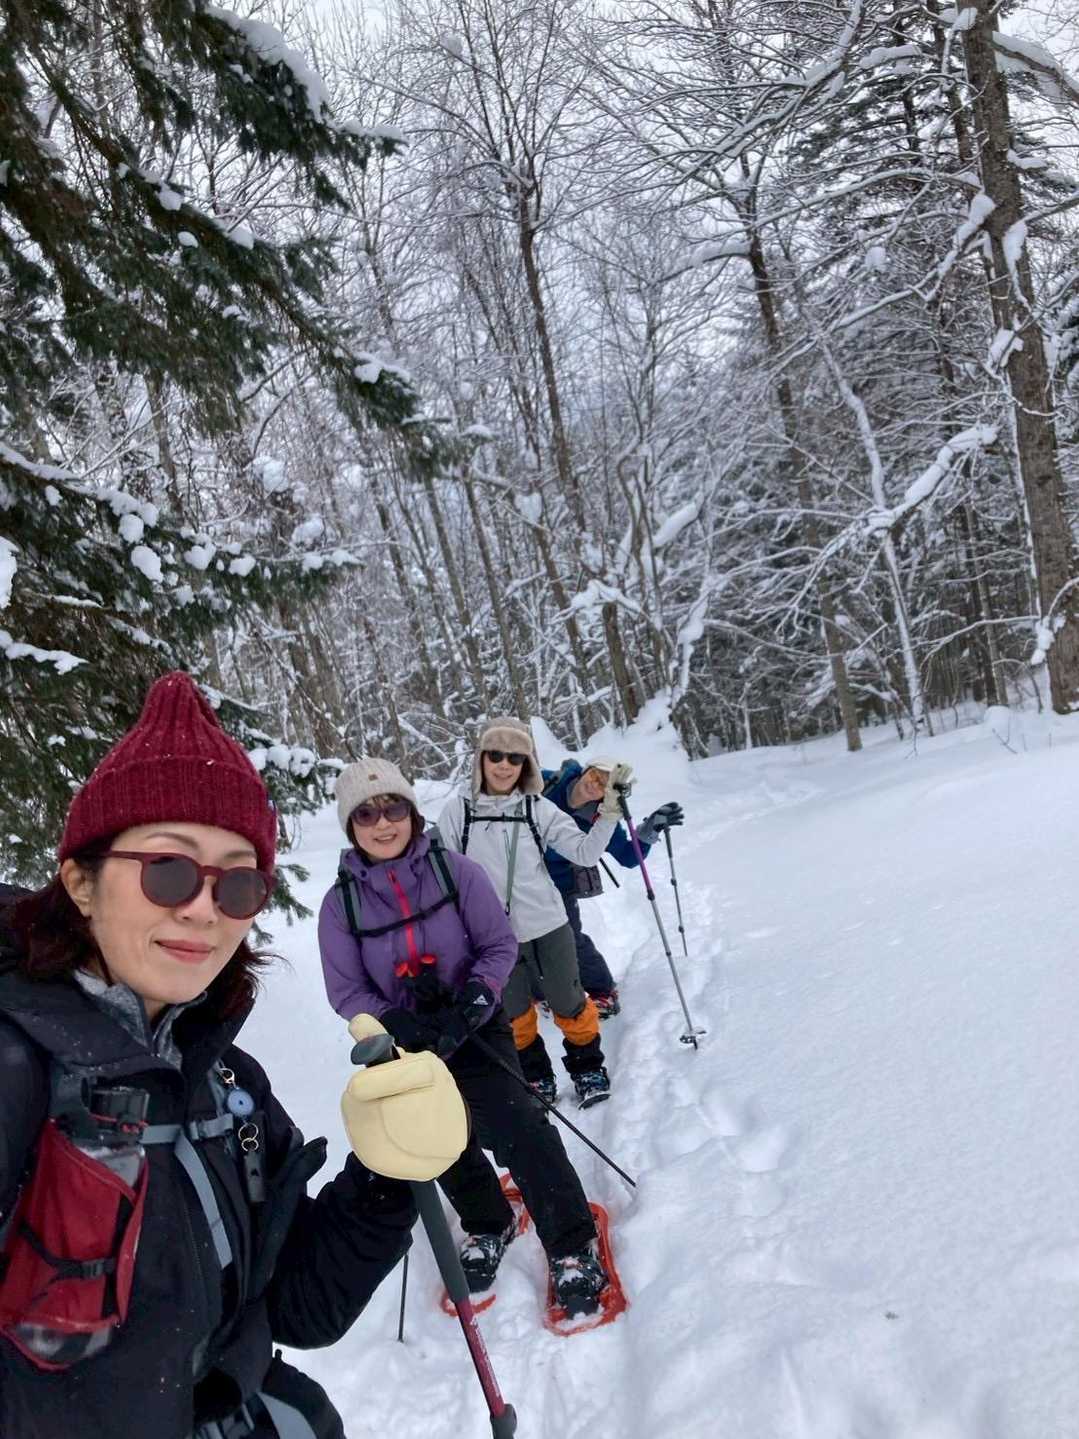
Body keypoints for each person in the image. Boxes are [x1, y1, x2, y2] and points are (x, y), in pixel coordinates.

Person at [0, 672, 463, 1439]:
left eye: (238, 883)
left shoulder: (223, 1078)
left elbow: (296, 1308)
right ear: (81, 881)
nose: (201, 908)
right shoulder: (18, 1070)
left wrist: (386, 1176)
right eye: (168, 869)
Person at [317, 757, 609, 1311]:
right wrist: (393, 1020)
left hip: (471, 1021)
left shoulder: (455, 870)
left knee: (518, 1124)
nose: (383, 823)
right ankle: (488, 1220)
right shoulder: (341, 905)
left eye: (393, 808)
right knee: (436, 1139)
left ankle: (572, 1242)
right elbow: (346, 989)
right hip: (403, 1042)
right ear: (351, 826)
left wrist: (476, 995)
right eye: (366, 814)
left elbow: (499, 943)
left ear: (411, 812)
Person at [436, 717, 630, 1109]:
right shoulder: (459, 811)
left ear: (525, 764)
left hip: (549, 924)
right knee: (513, 1011)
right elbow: (444, 874)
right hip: (492, 936)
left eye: (515, 757)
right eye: (496, 755)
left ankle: (588, 1068)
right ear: (481, 759)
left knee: (569, 1000)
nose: (504, 765)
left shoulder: (537, 808)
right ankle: (537, 1077)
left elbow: (585, 853)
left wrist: (609, 813)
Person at [541, 757, 684, 1018]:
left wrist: (649, 830)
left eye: (604, 786)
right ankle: (541, 991)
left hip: (560, 883)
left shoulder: (601, 815)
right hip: (520, 876)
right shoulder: (546, 782)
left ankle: (603, 990)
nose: (594, 785)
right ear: (584, 771)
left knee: (568, 939)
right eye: (594, 776)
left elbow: (628, 857)